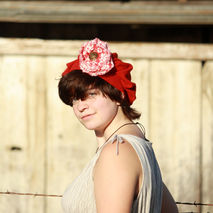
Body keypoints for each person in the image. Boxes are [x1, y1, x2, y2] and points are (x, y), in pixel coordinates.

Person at [58, 38, 178, 213]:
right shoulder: (137, 146)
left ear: (119, 94)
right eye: (75, 98)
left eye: (91, 94)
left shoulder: (116, 152)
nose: (80, 106)